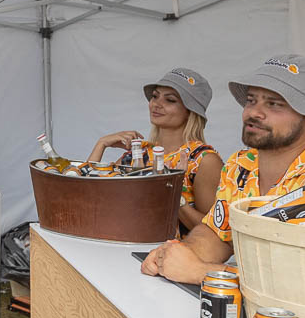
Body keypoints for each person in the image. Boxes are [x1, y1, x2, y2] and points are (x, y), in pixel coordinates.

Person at [143, 55, 305, 285]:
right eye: (251, 100)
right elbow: (218, 234)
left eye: (274, 104)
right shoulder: (241, 164)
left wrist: (203, 272)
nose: (253, 112)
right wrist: (175, 255)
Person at [87, 68, 223, 234]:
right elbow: (88, 197)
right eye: (155, 96)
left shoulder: (203, 160)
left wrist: (174, 194)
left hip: (174, 250)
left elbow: (214, 231)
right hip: (122, 244)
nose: (157, 104)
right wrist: (101, 144)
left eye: (170, 100)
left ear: (190, 112)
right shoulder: (140, 153)